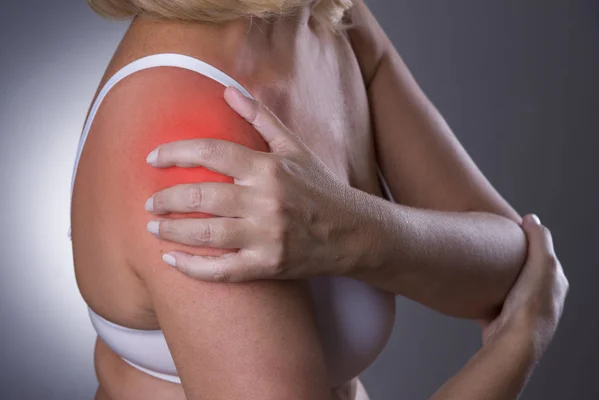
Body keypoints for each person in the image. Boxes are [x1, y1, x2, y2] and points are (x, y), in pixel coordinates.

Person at [67, 0, 557, 399]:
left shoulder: (329, 19)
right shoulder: (190, 143)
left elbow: (508, 269)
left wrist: (357, 232)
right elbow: (522, 293)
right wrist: (517, 347)